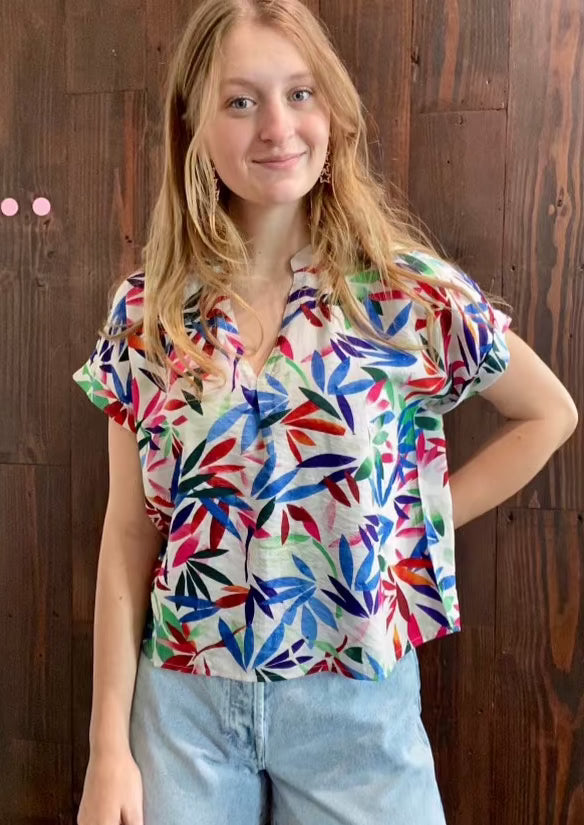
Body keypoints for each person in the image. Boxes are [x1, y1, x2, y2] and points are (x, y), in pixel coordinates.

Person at [72, 2, 578, 824]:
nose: (278, 127)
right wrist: (108, 748)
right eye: (242, 101)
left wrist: (414, 519)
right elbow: (129, 534)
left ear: (332, 109)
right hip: (185, 704)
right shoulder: (149, 311)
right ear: (194, 124)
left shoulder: (404, 292)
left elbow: (548, 413)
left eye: (300, 93)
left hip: (357, 700)